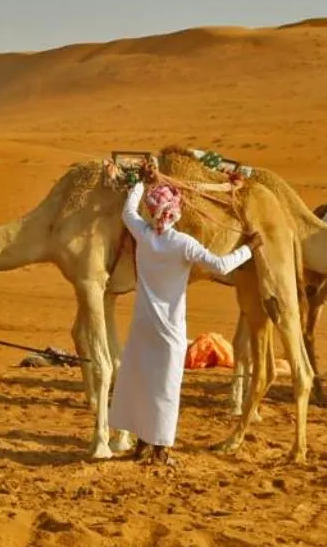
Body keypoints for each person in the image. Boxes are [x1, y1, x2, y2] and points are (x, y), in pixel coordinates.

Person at [107, 163, 259, 466]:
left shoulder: (144, 235)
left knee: (140, 382)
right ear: (174, 212)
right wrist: (249, 249)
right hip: (169, 332)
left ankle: (141, 444)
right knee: (165, 389)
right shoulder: (182, 244)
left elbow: (128, 213)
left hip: (142, 326)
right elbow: (221, 266)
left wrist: (138, 183)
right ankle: (161, 450)